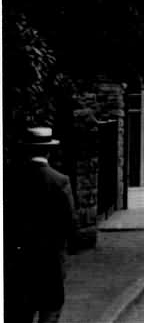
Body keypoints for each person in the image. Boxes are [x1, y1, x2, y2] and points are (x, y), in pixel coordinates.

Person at [10, 126, 76, 323]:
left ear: (27, 150)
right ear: (49, 151)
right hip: (50, 259)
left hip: (19, 258)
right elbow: (69, 223)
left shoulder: (12, 179)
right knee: (49, 311)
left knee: (20, 312)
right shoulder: (60, 181)